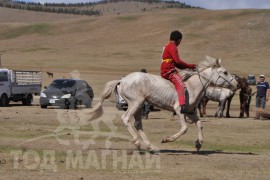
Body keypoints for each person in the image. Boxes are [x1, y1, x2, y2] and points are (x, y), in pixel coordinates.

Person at [161, 30, 196, 114]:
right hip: (169, 71)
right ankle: (183, 107)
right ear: (179, 40)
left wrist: (188, 67)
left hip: (166, 69)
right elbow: (178, 62)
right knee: (182, 85)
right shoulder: (173, 47)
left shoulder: (167, 46)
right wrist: (190, 66)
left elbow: (177, 64)